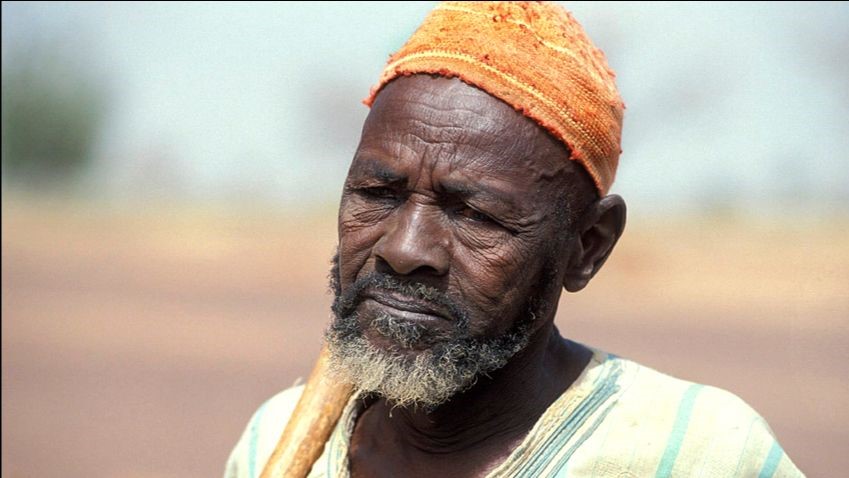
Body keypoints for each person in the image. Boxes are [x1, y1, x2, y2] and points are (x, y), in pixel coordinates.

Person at [225, 2, 803, 477]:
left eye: (474, 215)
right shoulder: (271, 444)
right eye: (379, 193)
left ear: (589, 246)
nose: (403, 250)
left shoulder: (701, 454)